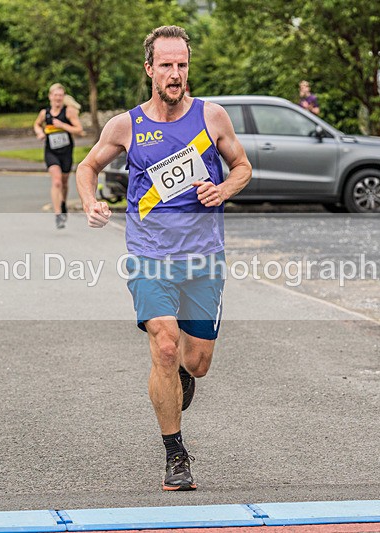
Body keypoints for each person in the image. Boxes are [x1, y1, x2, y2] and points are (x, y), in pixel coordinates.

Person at [75, 25, 252, 490]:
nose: (175, 74)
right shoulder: (126, 125)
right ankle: (175, 454)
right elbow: (87, 166)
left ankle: (181, 380)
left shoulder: (212, 118)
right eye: (167, 66)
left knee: (196, 362)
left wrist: (224, 188)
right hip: (149, 257)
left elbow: (242, 166)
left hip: (203, 260)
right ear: (150, 69)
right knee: (166, 346)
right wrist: (90, 202)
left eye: (182, 65)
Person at [34, 83, 84, 229]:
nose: (58, 98)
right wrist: (40, 132)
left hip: (66, 152)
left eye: (60, 96)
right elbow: (36, 124)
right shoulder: (45, 113)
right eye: (55, 95)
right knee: (56, 181)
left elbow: (79, 130)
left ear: (63, 97)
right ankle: (58, 214)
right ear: (50, 96)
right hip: (51, 152)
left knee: (64, 182)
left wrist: (63, 125)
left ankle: (62, 203)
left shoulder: (69, 112)